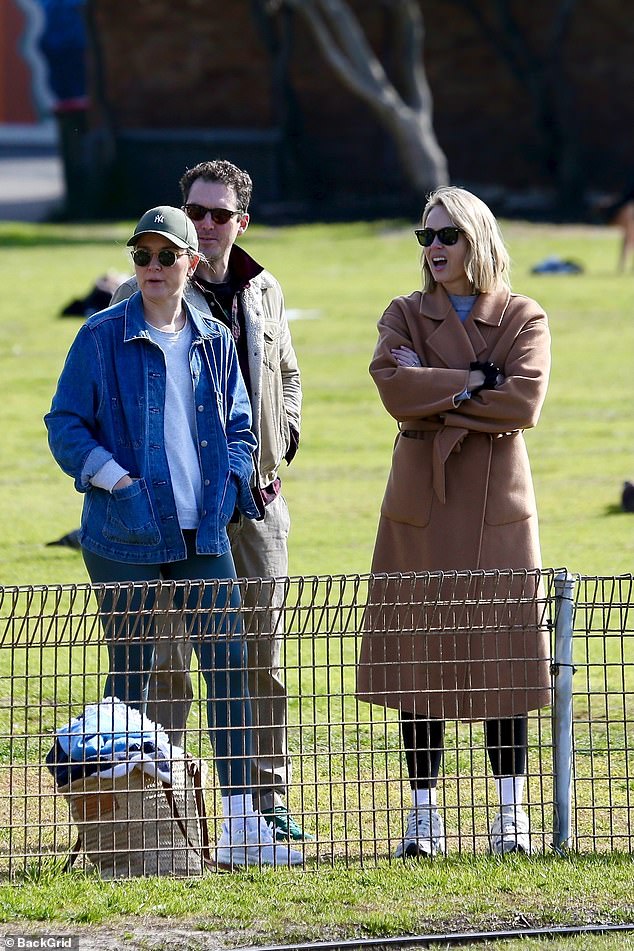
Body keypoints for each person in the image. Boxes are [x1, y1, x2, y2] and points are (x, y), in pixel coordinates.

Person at [45, 205, 302, 869]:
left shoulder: (214, 339)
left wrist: (230, 484)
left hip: (204, 532)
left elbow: (242, 424)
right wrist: (118, 483)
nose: (153, 268)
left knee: (230, 672)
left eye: (166, 257)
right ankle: (137, 833)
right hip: (123, 534)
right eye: (142, 256)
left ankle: (245, 826)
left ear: (192, 263)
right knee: (132, 679)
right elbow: (65, 424)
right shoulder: (100, 335)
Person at [110, 160, 306, 842]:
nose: (204, 224)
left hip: (255, 505)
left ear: (240, 223)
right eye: (195, 210)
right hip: (176, 513)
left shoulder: (264, 289)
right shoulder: (151, 292)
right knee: (169, 659)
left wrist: (286, 435)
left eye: (219, 214)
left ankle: (263, 802)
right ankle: (165, 805)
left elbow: (286, 370)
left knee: (262, 657)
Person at [356, 185, 551, 859]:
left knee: (505, 659)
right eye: (425, 236)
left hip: (498, 506)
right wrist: (472, 382)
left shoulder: (524, 314)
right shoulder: (404, 313)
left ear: (478, 239)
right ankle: (423, 816)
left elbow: (524, 401)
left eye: (447, 235)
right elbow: (391, 387)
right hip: (422, 504)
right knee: (421, 659)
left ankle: (511, 817)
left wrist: (435, 389)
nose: (433, 247)